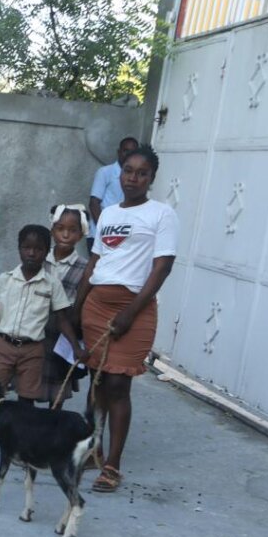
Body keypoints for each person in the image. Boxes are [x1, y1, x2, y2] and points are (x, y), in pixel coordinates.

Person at [74, 145, 177, 493]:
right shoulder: (107, 213)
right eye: (128, 171)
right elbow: (94, 262)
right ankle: (94, 450)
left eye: (141, 173)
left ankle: (113, 465)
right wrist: (77, 307)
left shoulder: (162, 215)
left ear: (151, 177)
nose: (133, 178)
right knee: (97, 381)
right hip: (97, 304)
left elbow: (162, 268)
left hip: (135, 306)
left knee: (119, 386)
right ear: (119, 173)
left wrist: (130, 313)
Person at [0, 224, 87, 461]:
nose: (32, 253)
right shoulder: (6, 279)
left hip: (33, 350)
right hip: (3, 346)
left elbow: (62, 319)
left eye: (38, 249)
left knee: (27, 399)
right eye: (27, 248)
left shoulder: (51, 284)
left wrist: (76, 347)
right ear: (19, 249)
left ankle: (22, 444)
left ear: (46, 251)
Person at [37, 204, 90, 409]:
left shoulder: (84, 268)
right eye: (60, 228)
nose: (66, 234)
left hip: (62, 335)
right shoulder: (40, 259)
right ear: (52, 230)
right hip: (37, 328)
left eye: (73, 230)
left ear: (81, 234)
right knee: (30, 379)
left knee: (57, 383)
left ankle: (53, 423)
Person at [88, 137, 139, 252]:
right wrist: (104, 230)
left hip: (122, 236)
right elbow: (94, 203)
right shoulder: (105, 172)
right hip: (99, 234)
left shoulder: (135, 178)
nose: (129, 154)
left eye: (133, 152)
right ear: (119, 152)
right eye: (126, 150)